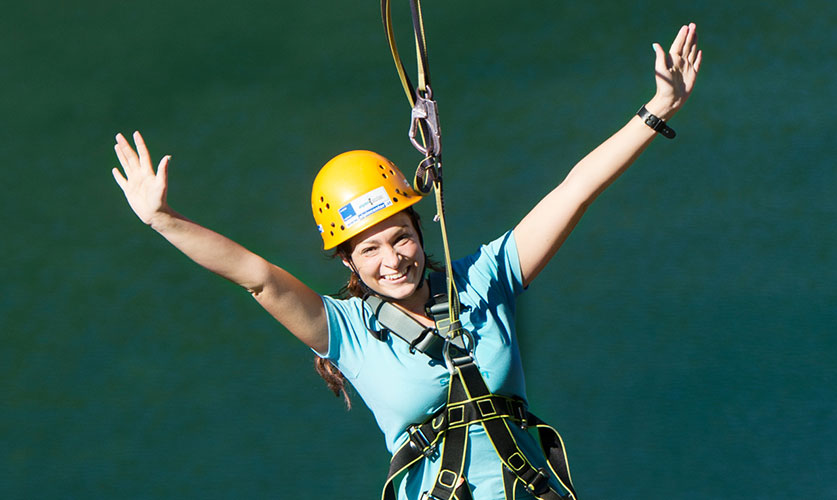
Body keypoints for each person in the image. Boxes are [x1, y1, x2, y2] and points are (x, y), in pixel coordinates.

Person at [111, 23, 701, 500]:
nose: (392, 260)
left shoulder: (484, 278)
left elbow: (573, 191)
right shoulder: (345, 333)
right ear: (349, 258)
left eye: (400, 238)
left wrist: (657, 110)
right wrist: (163, 220)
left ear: (421, 230)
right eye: (369, 248)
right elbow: (257, 277)